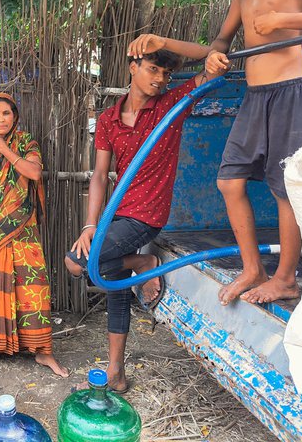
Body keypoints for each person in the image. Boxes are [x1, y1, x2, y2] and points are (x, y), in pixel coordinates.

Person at [128, 0, 302, 306]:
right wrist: (167, 43)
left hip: (292, 90)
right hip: (255, 96)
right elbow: (219, 45)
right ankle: (253, 268)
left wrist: (283, 21)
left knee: (284, 189)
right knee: (229, 180)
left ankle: (287, 278)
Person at [65, 51, 224, 392]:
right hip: (117, 212)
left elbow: (210, 66)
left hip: (147, 215)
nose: (160, 78)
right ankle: (116, 373)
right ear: (132, 67)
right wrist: (90, 225)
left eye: (166, 74)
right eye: (153, 69)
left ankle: (144, 260)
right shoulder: (109, 119)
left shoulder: (170, 106)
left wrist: (184, 52)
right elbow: (99, 176)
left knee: (77, 262)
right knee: (114, 283)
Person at [0, 93, 69, 378]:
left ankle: (43, 352)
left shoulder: (26, 143)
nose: (1, 119)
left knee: (34, 286)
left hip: (23, 226)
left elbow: (34, 172)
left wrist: (3, 149)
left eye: (6, 114)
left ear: (15, 117)